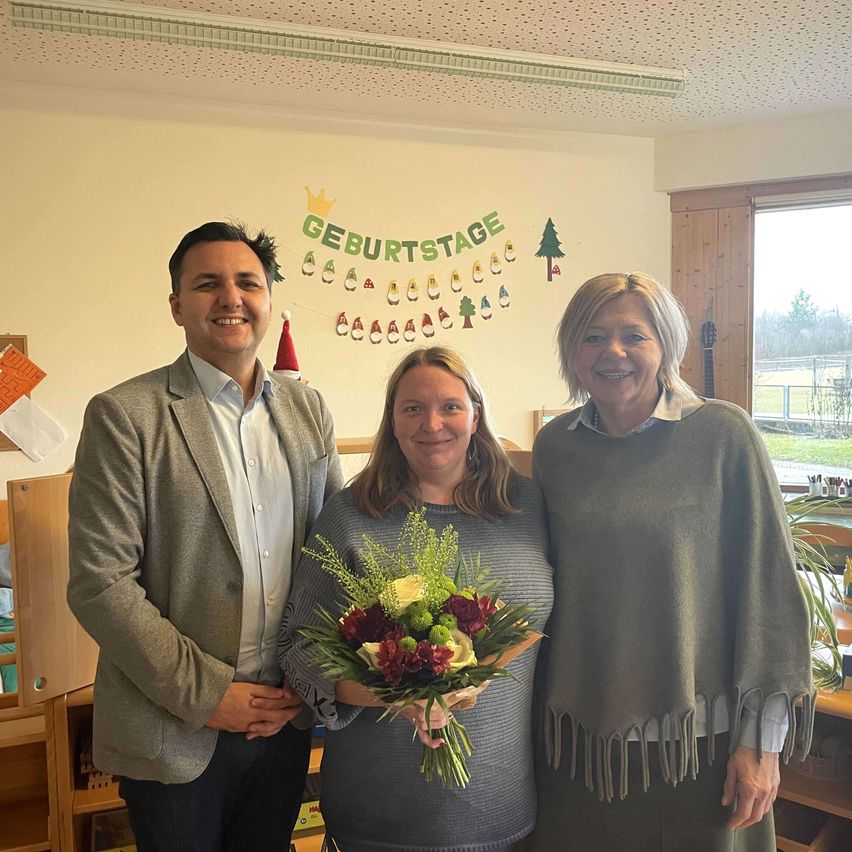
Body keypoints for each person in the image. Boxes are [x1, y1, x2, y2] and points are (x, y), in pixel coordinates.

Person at [67, 221, 343, 851]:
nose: (231, 298)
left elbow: (335, 559)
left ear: (269, 300)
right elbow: (99, 585)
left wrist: (310, 685)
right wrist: (211, 695)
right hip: (173, 730)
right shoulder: (125, 416)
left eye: (248, 282)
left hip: (283, 720)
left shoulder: (309, 413)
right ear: (176, 306)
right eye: (207, 284)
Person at [530, 272, 814, 852]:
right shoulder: (556, 447)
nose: (612, 352)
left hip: (698, 747)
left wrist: (760, 746)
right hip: (579, 743)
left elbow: (770, 595)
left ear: (665, 345)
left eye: (633, 335)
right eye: (592, 336)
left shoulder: (722, 436)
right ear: (571, 351)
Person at [279, 346, 554, 852]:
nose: (433, 423)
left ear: (476, 413)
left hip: (504, 807)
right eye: (412, 408)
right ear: (392, 420)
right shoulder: (350, 516)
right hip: (379, 818)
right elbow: (298, 648)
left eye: (450, 406)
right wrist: (397, 693)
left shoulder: (529, 505)